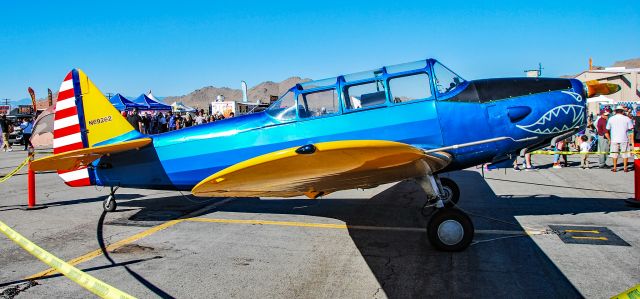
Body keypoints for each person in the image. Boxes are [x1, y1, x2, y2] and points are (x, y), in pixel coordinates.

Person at [607, 105, 634, 172]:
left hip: (614, 138)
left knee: (614, 154)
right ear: (622, 111)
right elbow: (631, 128)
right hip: (624, 138)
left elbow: (608, 128)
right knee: (625, 154)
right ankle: (625, 167)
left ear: (615, 111)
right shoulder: (627, 118)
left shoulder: (611, 118)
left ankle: (615, 167)